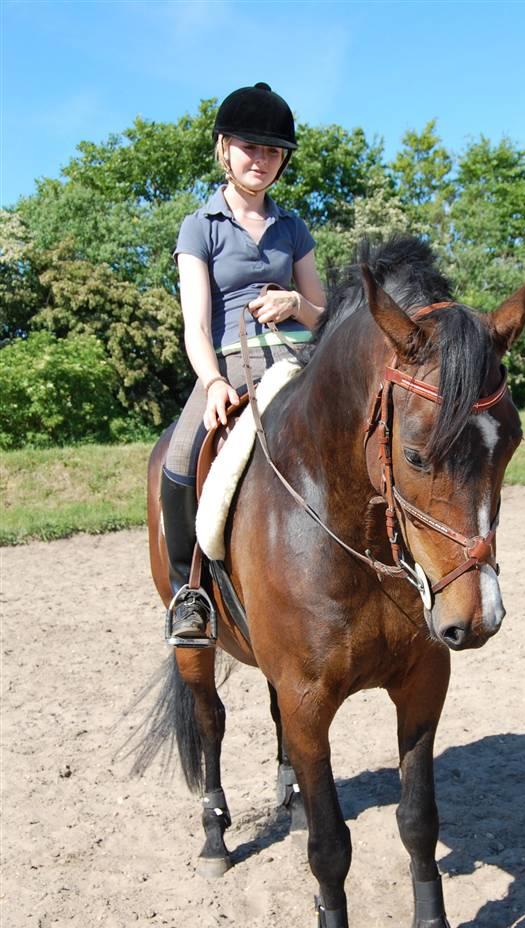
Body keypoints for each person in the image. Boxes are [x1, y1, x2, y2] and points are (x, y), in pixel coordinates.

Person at [163, 82, 326, 642]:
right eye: (250, 148)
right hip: (230, 362)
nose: (261, 160)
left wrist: (295, 303)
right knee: (180, 459)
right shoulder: (200, 226)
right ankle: (190, 594)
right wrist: (209, 381)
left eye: (272, 151)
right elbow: (195, 325)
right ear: (224, 149)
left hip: (300, 359)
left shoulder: (293, 227)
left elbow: (324, 313)